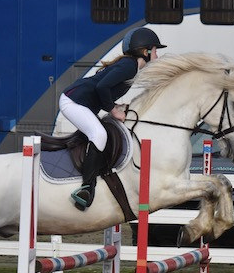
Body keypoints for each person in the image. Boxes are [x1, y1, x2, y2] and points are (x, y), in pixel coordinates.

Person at [59, 27, 166, 210]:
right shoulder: (129, 67)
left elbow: (104, 90)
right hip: (73, 101)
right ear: (145, 51)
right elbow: (102, 88)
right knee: (99, 135)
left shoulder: (130, 67)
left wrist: (115, 107)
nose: (157, 55)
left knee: (101, 134)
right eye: (155, 50)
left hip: (80, 102)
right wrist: (113, 110)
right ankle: (86, 188)